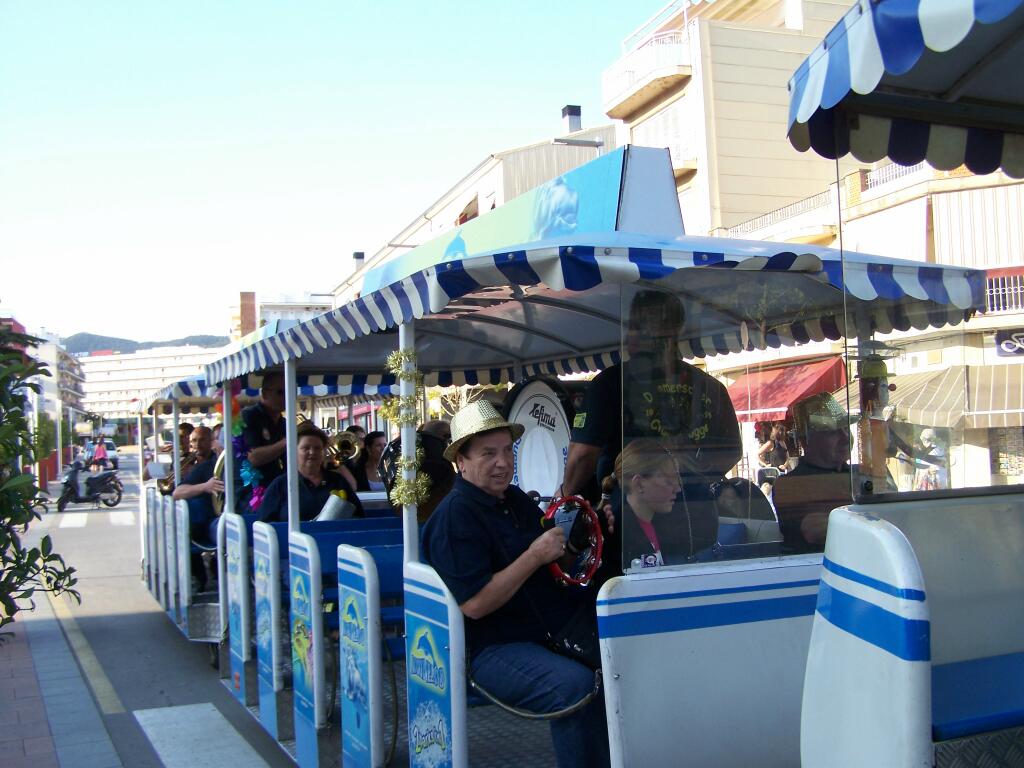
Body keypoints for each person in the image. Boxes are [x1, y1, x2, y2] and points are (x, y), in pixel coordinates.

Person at [422, 401, 610, 768]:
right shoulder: (454, 517)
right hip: (493, 647)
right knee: (576, 687)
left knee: (626, 654)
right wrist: (534, 556)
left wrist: (582, 537)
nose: (503, 462)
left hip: (548, 628)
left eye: (508, 451)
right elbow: (475, 604)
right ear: (461, 461)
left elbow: (555, 560)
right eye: (488, 453)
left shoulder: (514, 499)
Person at [561, 289, 742, 500]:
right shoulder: (710, 386)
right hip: (694, 508)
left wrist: (563, 495)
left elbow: (583, 456)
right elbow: (731, 452)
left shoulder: (610, 383)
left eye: (639, 327)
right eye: (634, 327)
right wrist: (692, 481)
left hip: (630, 511)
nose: (634, 335)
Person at [603, 438, 719, 569]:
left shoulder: (660, 525)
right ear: (639, 484)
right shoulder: (616, 536)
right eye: (669, 482)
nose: (678, 489)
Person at [771, 393, 854, 552]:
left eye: (846, 428)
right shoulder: (790, 485)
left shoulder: (861, 475)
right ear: (806, 440)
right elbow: (814, 530)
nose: (845, 437)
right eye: (832, 431)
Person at [258, 421, 363, 523]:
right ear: (294, 451)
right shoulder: (280, 485)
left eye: (317, 448)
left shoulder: (338, 481)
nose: (312, 452)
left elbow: (358, 516)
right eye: (306, 448)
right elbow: (265, 525)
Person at [171, 426, 223, 589]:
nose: (197, 444)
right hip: (199, 519)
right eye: (194, 440)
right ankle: (199, 576)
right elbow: (176, 492)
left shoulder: (217, 462)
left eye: (202, 440)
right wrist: (204, 486)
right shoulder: (191, 463)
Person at [236, 371, 288, 511]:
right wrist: (287, 442)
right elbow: (253, 458)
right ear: (265, 394)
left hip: (275, 487)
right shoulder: (249, 416)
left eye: (290, 391)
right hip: (248, 492)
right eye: (281, 392)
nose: (287, 396)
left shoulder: (283, 423)